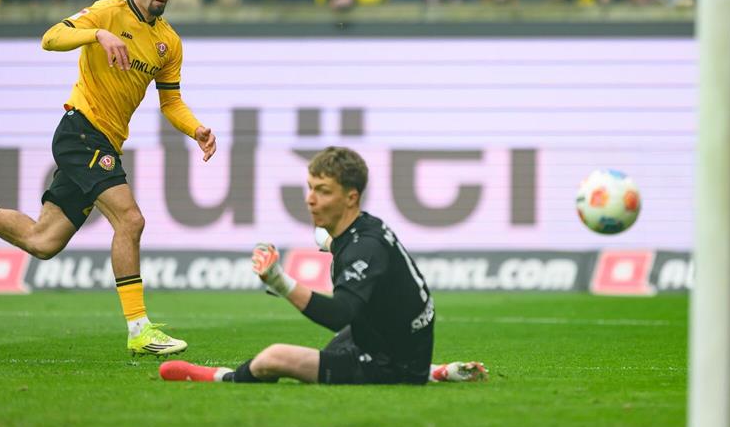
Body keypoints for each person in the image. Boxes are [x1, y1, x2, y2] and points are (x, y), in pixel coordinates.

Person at [0, 0, 217, 358]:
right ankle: (139, 329)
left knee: (43, 241)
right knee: (131, 219)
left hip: (104, 141)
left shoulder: (168, 42)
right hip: (81, 132)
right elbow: (51, 38)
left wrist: (196, 129)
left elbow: (170, 103)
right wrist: (96, 34)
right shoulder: (107, 13)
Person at [159, 146, 487, 385]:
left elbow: (339, 314)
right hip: (397, 341)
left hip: (390, 364)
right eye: (310, 188)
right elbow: (335, 242)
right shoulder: (364, 227)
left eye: (323, 191)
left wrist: (279, 281)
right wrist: (325, 240)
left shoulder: (365, 248)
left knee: (274, 358)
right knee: (334, 350)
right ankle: (435, 371)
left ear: (351, 198)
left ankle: (222, 378)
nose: (311, 199)